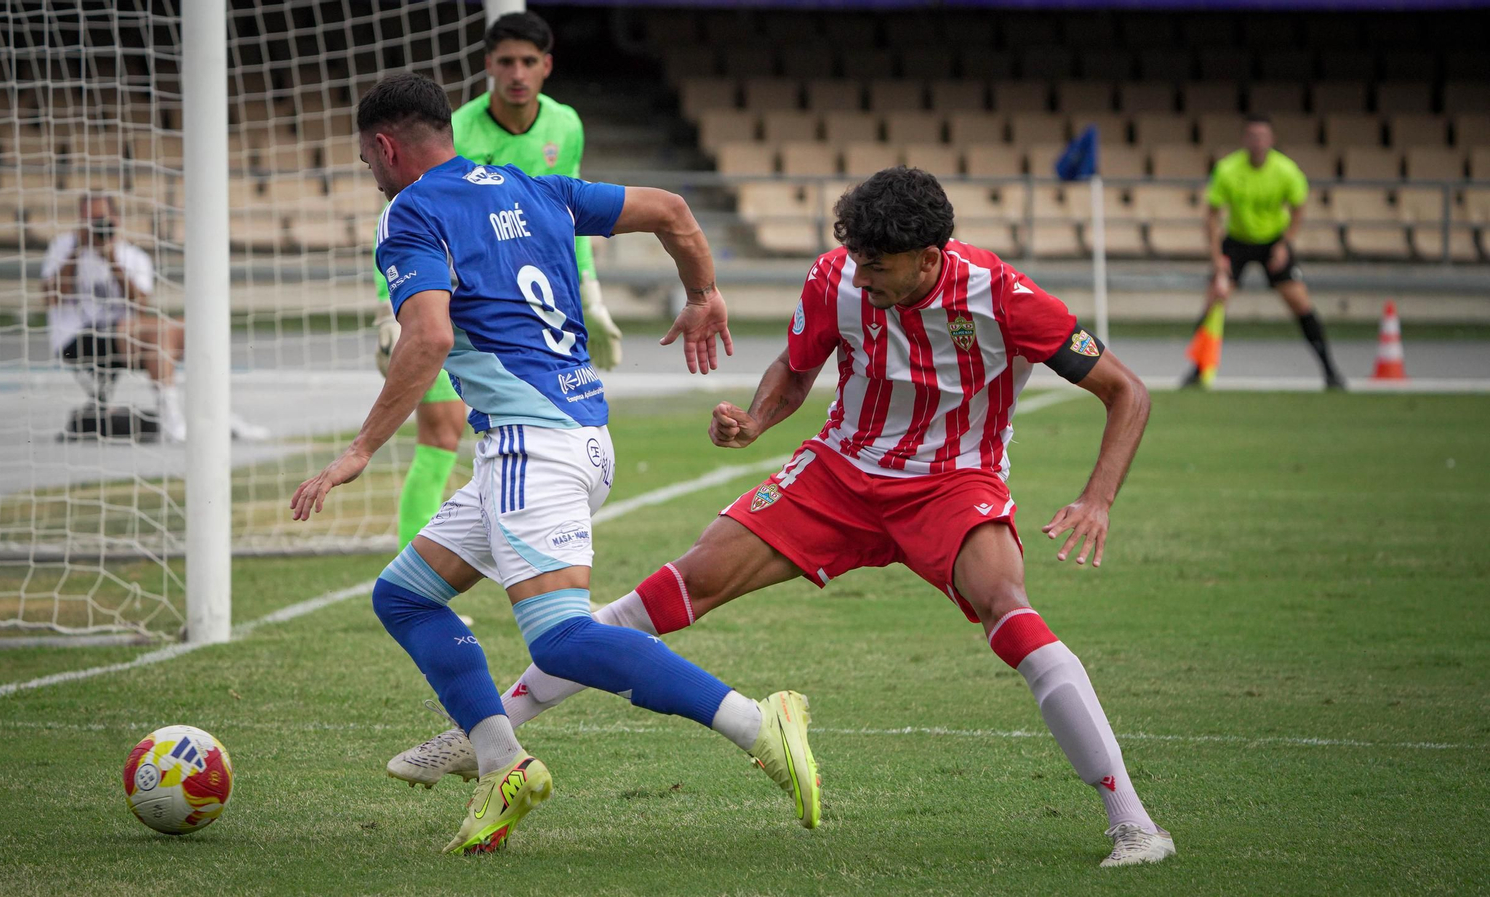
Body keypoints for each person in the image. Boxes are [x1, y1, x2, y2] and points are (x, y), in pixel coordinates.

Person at [392, 167, 1177, 868]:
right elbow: (797, 369)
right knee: (676, 587)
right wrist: (757, 420)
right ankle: (487, 733)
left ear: (930, 259)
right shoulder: (837, 277)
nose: (861, 276)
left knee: (1011, 614)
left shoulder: (1004, 296)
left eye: (880, 265)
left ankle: (1134, 823)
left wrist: (1097, 497)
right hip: (838, 474)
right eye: (856, 259)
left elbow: (1127, 391)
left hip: (952, 483)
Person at [290, 73, 820, 856]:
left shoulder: (409, 212)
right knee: (404, 596)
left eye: (367, 160)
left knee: (561, 640)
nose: (371, 174)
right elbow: (673, 211)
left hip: (529, 446)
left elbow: (429, 337)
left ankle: (755, 720)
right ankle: (503, 763)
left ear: (384, 146)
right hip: (580, 435)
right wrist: (703, 292)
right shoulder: (533, 188)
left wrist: (360, 448)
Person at [375, 11, 623, 554]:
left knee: (534, 437)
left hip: (520, 316)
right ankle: (411, 563)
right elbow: (407, 225)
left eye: (528, 62)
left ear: (546, 66)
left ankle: (538, 564)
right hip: (449, 307)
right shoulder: (455, 128)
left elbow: (572, 220)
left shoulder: (566, 125)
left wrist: (592, 296)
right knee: (441, 431)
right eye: (505, 61)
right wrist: (390, 313)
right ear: (488, 65)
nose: (516, 72)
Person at [40, 193, 269, 442]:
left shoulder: (132, 256)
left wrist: (111, 259)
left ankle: (218, 414)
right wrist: (78, 250)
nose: (94, 227)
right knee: (159, 331)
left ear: (115, 220)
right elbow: (53, 298)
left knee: (191, 328)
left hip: (124, 336)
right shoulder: (63, 248)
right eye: (88, 220)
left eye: (100, 220)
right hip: (76, 338)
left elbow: (140, 305)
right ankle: (171, 420)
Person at [1185, 114, 1344, 389]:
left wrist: (1285, 244)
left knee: (1300, 303)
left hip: (1273, 241)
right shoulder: (1227, 169)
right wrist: (1217, 260)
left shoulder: (1286, 170)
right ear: (1244, 139)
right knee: (1214, 300)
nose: (1258, 142)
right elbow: (1211, 215)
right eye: (1253, 136)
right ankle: (1198, 369)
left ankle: (1330, 371)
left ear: (1271, 140)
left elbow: (1299, 208)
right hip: (1236, 241)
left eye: (1263, 136)